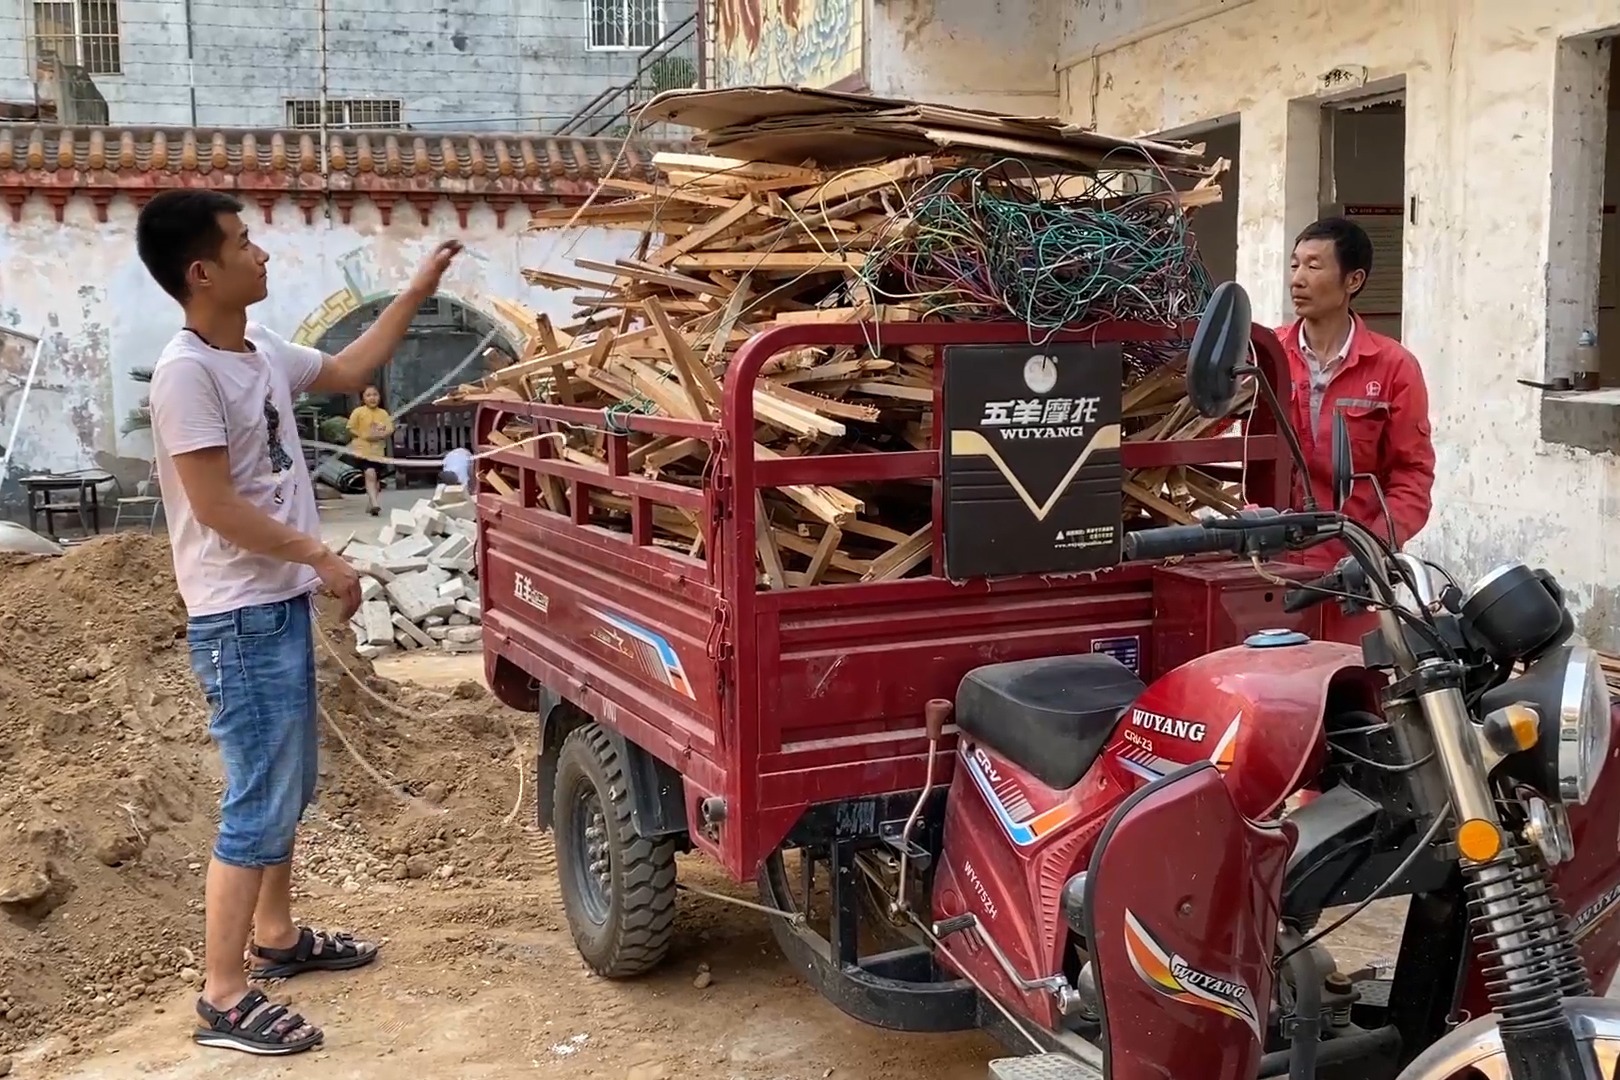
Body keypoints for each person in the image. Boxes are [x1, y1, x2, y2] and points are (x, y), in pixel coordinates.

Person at [136, 187, 462, 1056]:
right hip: (237, 616)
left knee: (290, 785)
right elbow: (214, 506)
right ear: (202, 272)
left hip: (275, 603)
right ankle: (223, 995)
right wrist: (322, 556)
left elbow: (351, 369)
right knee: (257, 797)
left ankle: (276, 939)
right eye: (243, 242)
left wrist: (416, 291)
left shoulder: (262, 349)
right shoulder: (187, 374)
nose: (262, 253)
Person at [1279, 216, 1435, 571]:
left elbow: (1412, 474)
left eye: (1313, 266)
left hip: (1353, 570)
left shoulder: (1394, 366)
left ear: (1354, 280)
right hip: (1271, 565)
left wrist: (1373, 547)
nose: (1297, 279)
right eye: (1294, 265)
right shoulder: (1268, 356)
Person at [345, 385, 395, 515]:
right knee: (370, 473)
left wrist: (381, 434)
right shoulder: (358, 412)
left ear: (379, 397)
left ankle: (371, 503)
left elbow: (390, 429)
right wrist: (363, 435)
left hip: (378, 452)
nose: (372, 398)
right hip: (363, 450)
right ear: (363, 398)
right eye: (368, 395)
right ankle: (375, 503)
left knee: (376, 479)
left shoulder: (383, 413)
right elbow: (350, 428)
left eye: (375, 395)